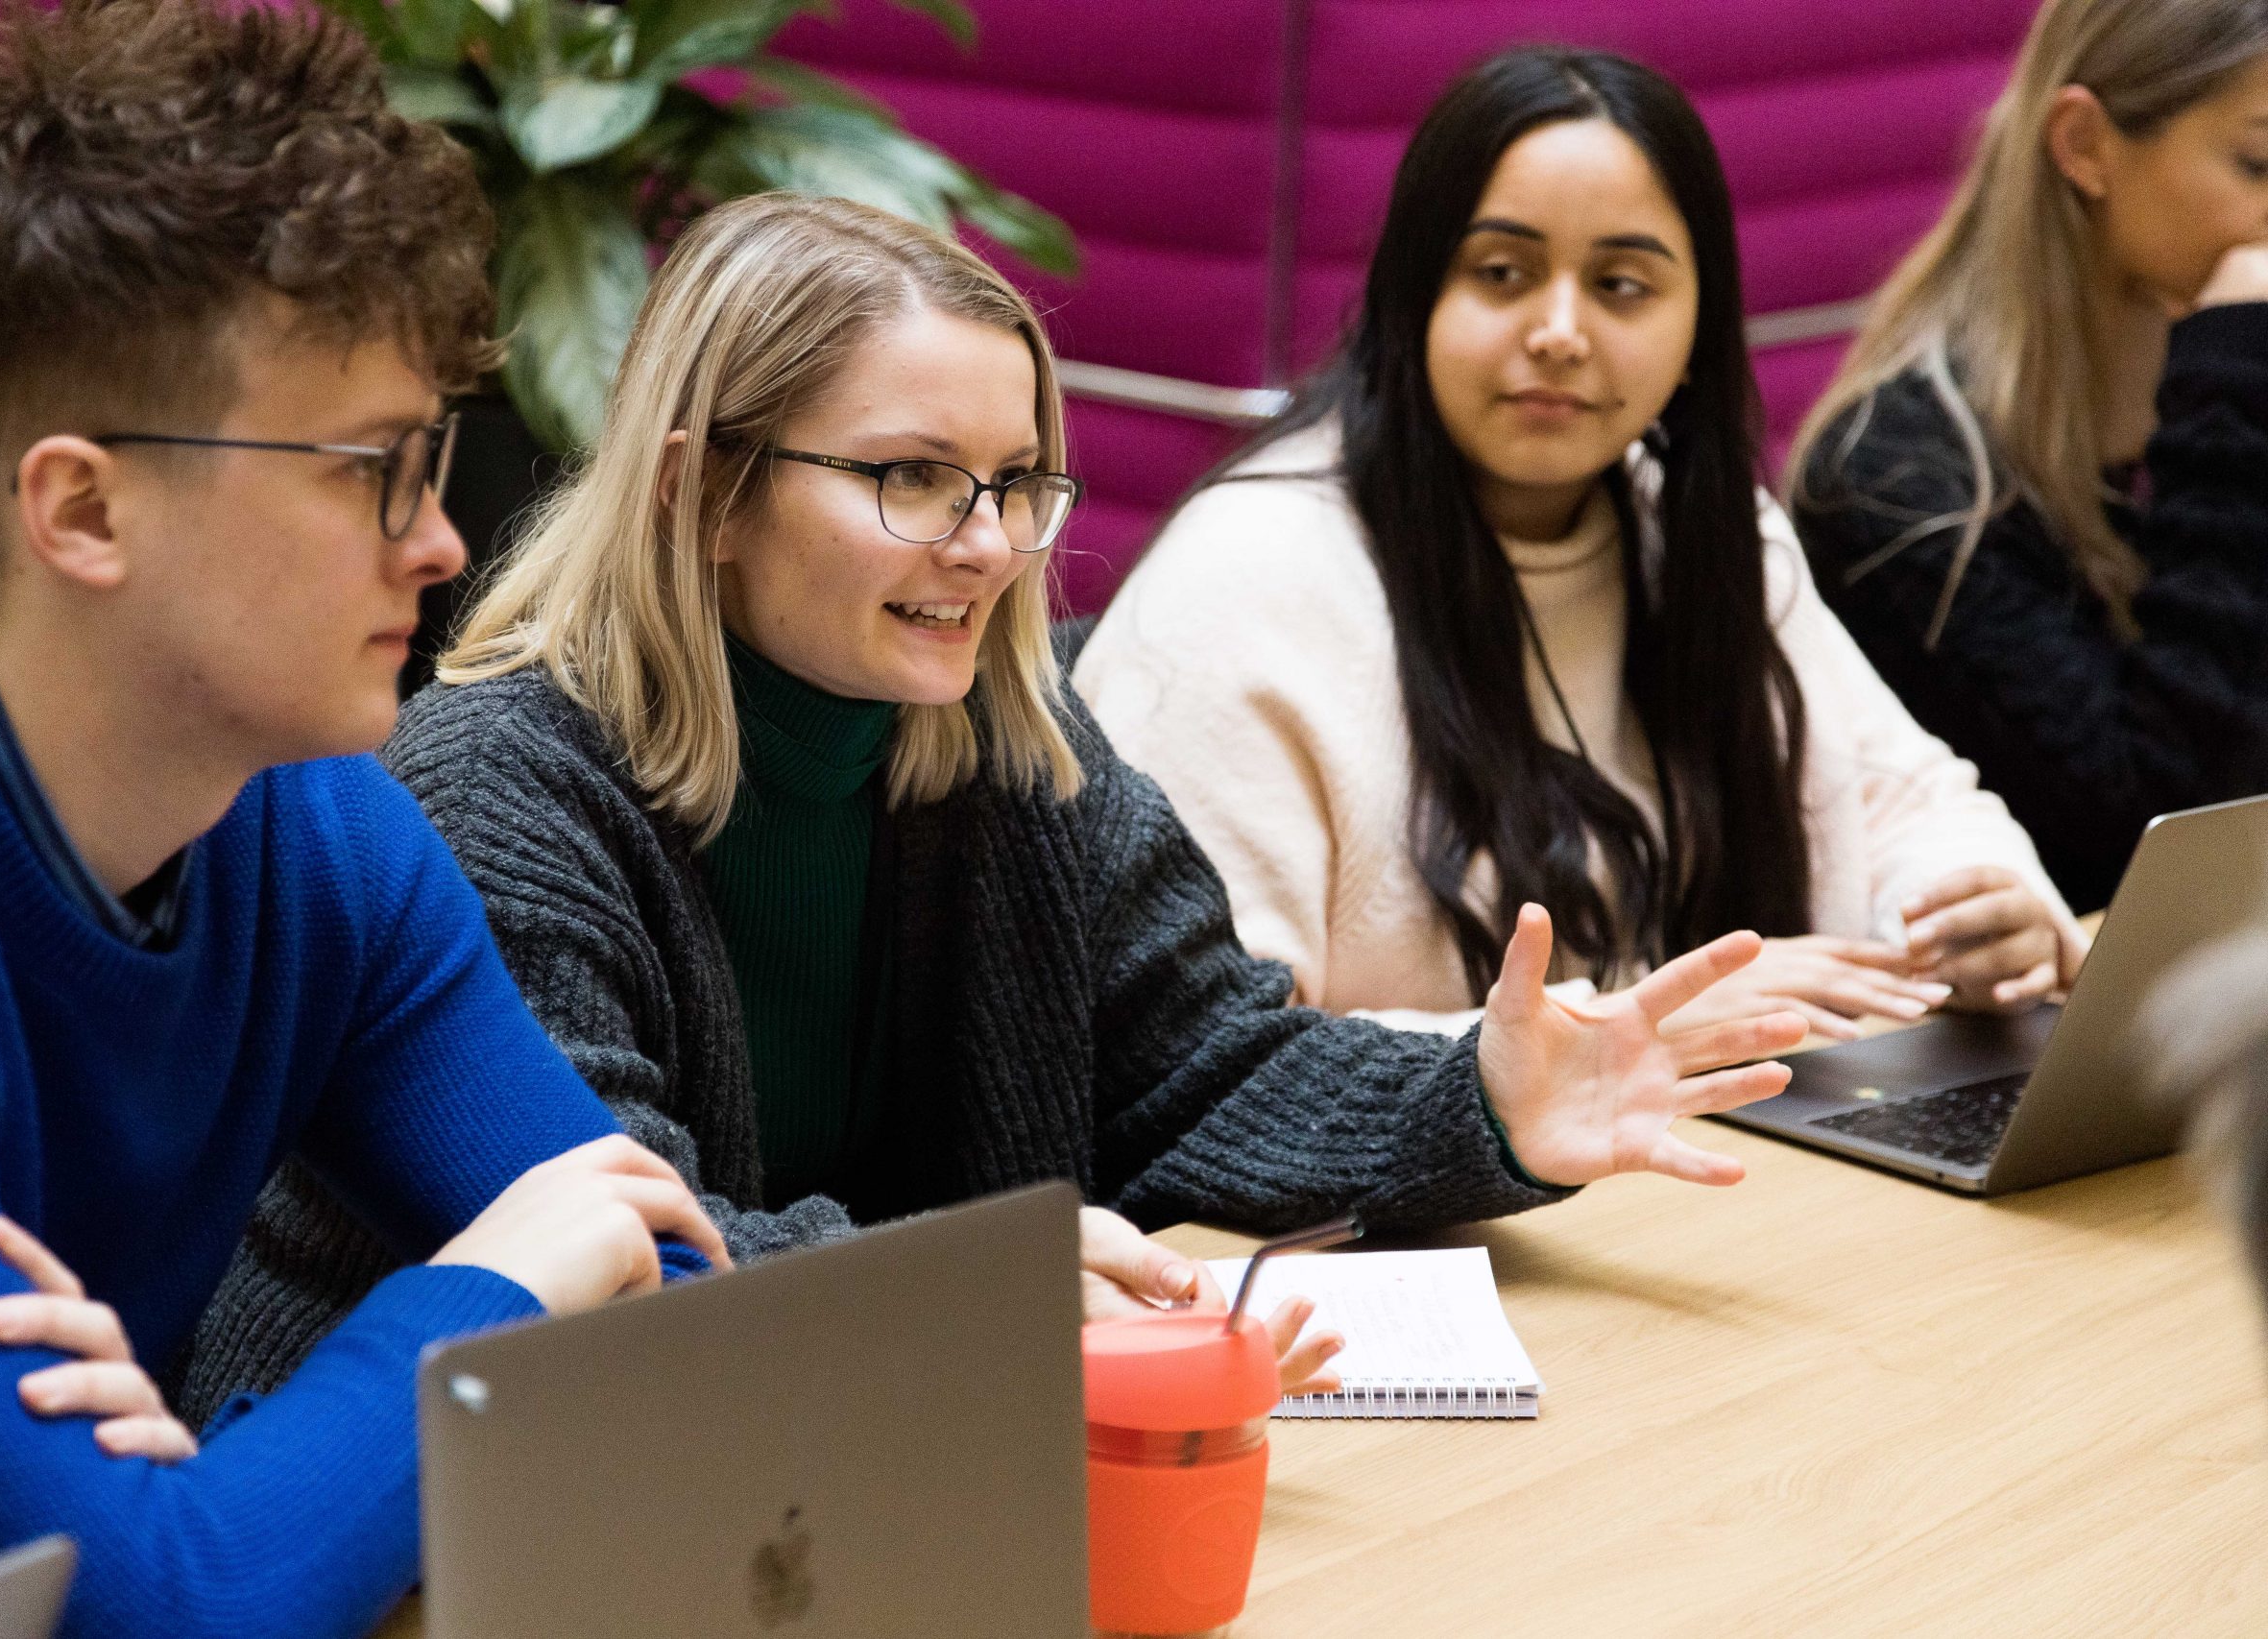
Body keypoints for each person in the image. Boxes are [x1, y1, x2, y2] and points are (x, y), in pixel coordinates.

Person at [173, 188, 1819, 1419]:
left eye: (1017, 482)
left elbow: (1205, 1066)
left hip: (815, 1457)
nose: (989, 544)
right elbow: (620, 1246)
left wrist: (1484, 1102)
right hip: (423, 1505)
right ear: (700, 491)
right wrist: (973, 1290)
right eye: (911, 478)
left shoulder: (1006, 748)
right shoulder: (498, 793)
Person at [0, 4, 730, 1632]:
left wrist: (205, 1510)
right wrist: (475, 1306)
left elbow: (670, 1333)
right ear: (83, 507)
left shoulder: (318, 831)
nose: (442, 542)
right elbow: (164, 1607)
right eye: (372, 468)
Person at [1074, 48, 2082, 1045]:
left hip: (1715, 1162)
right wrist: (1633, 1033)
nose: (1560, 330)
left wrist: (1964, 905)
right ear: (1410, 297)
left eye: (1622, 285)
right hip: (1390, 1205)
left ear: (1698, 324)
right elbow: (1205, 1065)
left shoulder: (1698, 525)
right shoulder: (1244, 582)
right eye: (1502, 273)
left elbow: (1903, 799)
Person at [1791, 0, 2268, 913]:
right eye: (2259, 163)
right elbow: (2159, 840)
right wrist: (2233, 393)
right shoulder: (1898, 481)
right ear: (2085, 144)